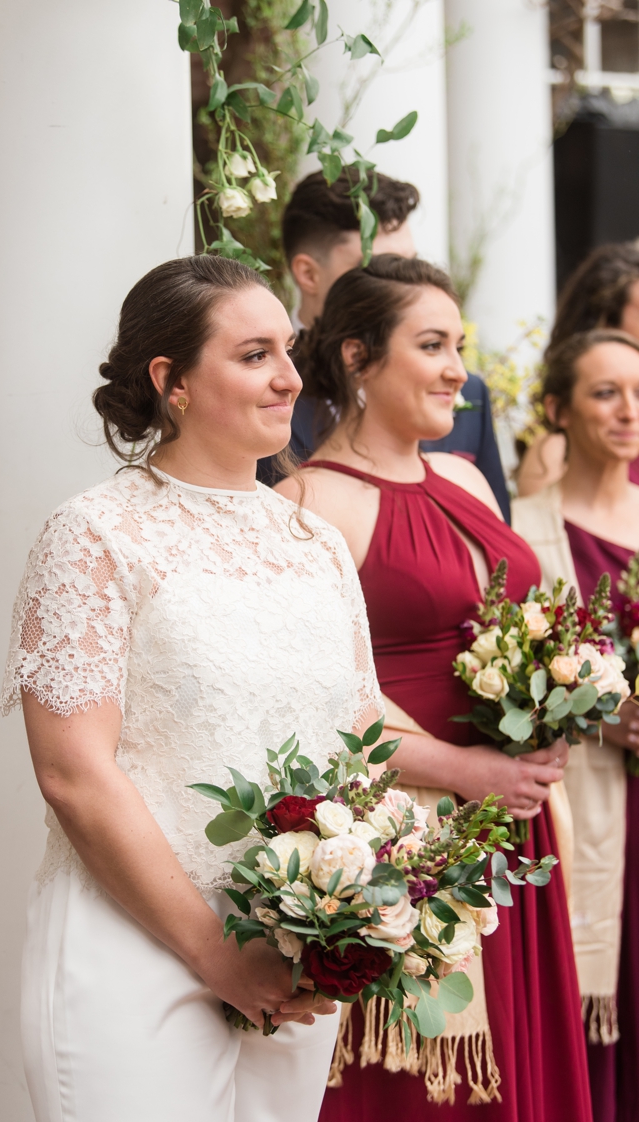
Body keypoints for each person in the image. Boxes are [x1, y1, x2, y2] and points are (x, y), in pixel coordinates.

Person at [4, 254, 363, 1122]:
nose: (288, 378)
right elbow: (74, 774)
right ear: (172, 380)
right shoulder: (95, 534)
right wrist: (217, 955)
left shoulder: (316, 543)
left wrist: (348, 915)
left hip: (294, 953)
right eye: (252, 355)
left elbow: (357, 750)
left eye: (290, 349)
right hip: (136, 948)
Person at [277, 255, 590, 1119]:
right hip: (413, 841)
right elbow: (314, 709)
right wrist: (467, 772)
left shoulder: (464, 477)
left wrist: (557, 703)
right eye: (431, 344)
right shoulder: (308, 505)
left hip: (517, 829)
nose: (458, 368)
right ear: (356, 358)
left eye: (459, 344)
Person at [509, 330, 639, 1122]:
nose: (630, 411)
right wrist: (598, 709)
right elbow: (496, 683)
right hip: (587, 811)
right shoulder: (521, 531)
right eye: (605, 392)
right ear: (555, 408)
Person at [265, 171, 510, 519]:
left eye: (408, 263)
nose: (402, 282)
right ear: (308, 274)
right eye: (380, 266)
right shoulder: (262, 392)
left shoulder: (468, 392)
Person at [516, 243, 639, 498]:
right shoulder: (555, 450)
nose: (628, 410)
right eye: (606, 392)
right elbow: (544, 531)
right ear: (605, 323)